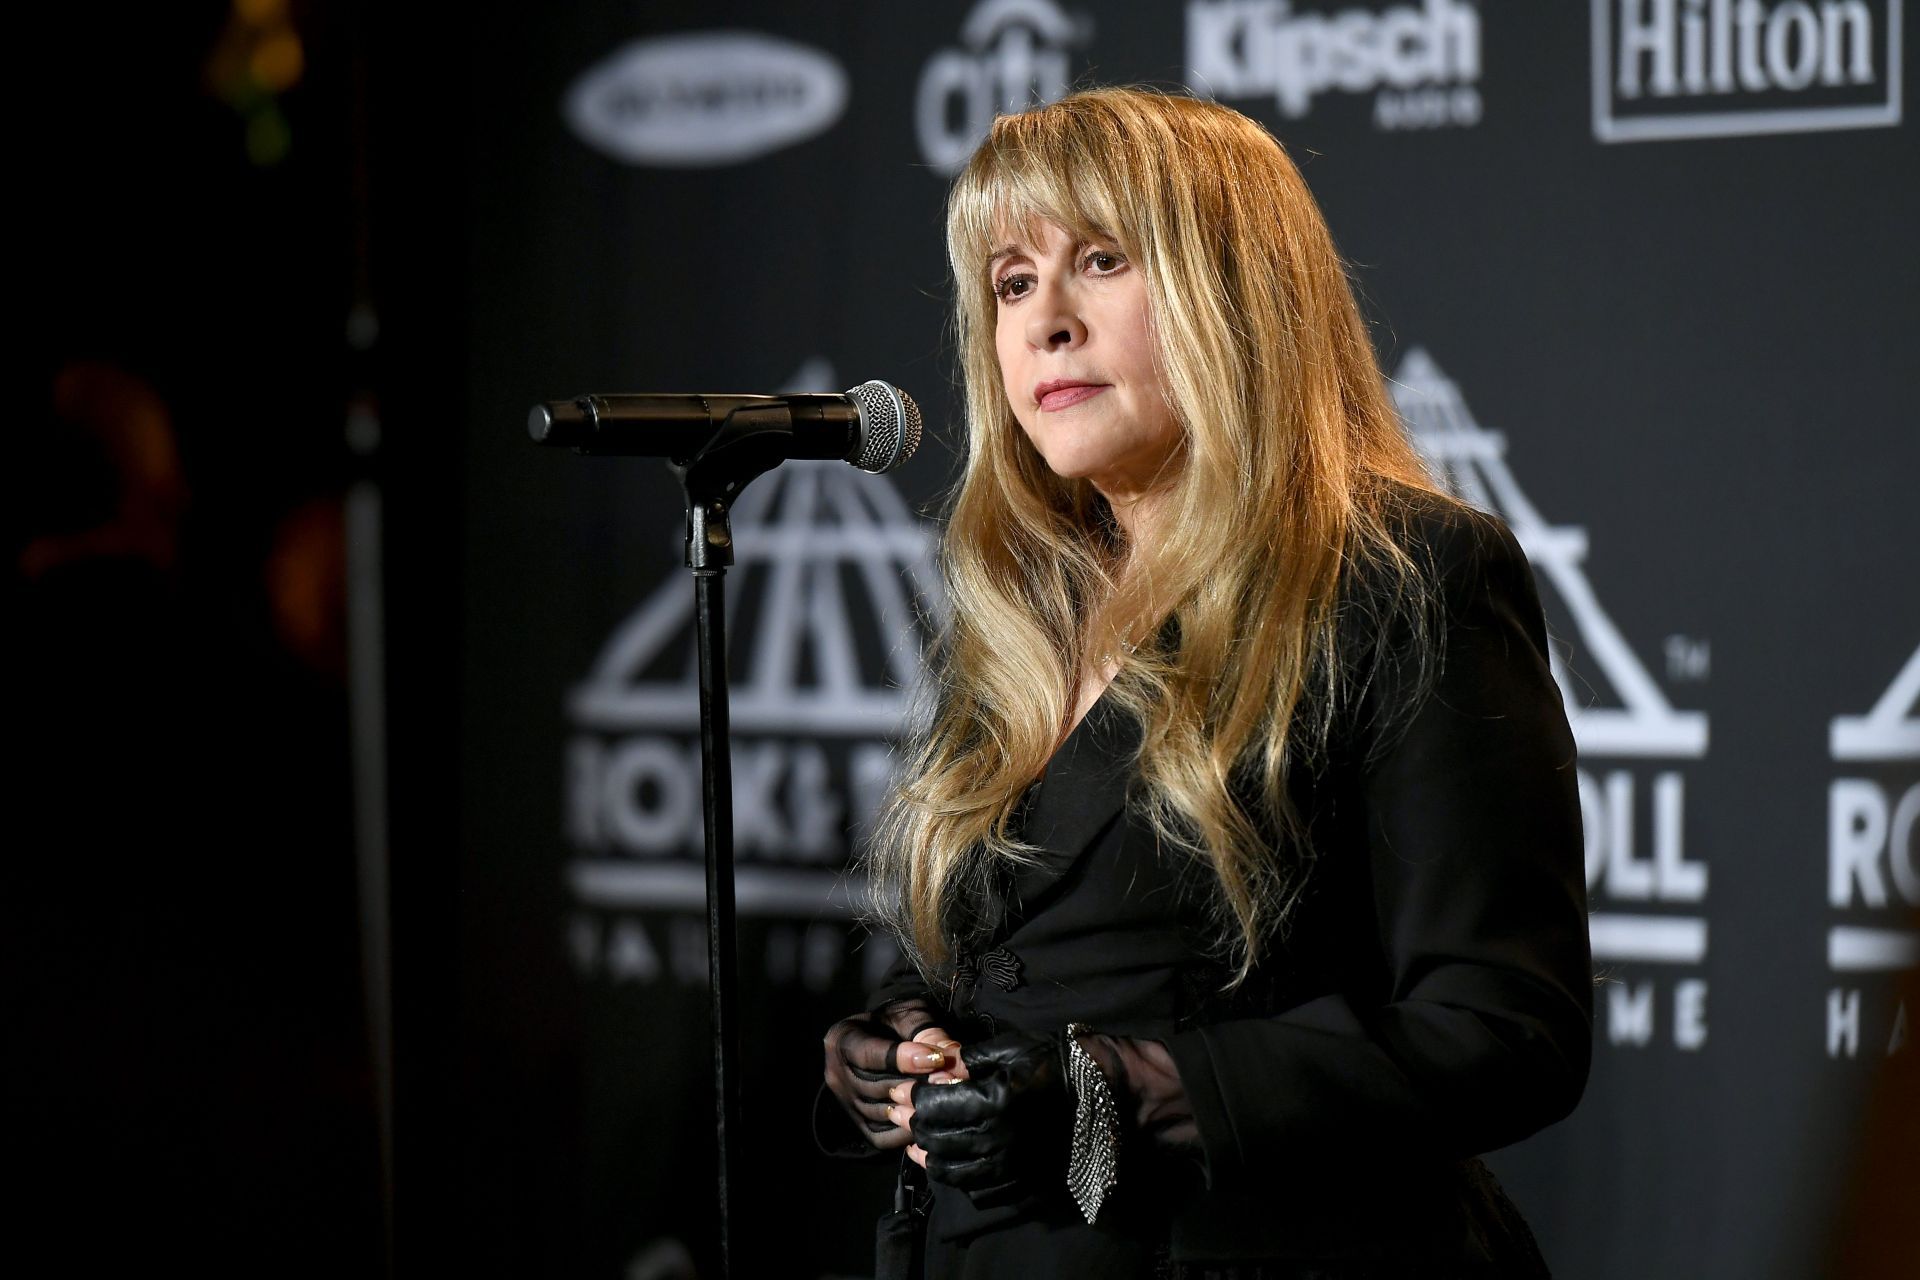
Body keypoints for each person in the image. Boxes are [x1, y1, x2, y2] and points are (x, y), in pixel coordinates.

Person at [817, 87, 1592, 1278]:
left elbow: (1503, 1030)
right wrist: (901, 1048)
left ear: (1234, 289)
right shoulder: (1018, 613)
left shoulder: (1404, 575)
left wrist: (1134, 1088)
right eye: (1013, 281)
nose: (1044, 323)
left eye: (1102, 261)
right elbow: (1012, 954)